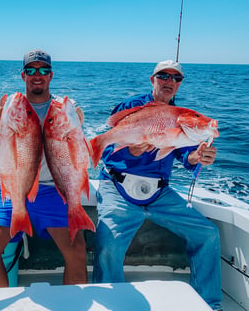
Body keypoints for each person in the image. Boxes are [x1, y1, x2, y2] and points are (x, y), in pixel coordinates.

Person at [92, 60, 222, 310]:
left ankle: (210, 304)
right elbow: (110, 153)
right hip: (118, 187)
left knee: (207, 233)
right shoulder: (132, 106)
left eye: (176, 78)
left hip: (160, 193)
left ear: (180, 84)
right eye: (163, 76)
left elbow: (183, 154)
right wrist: (131, 151)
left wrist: (196, 158)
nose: (169, 81)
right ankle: (112, 305)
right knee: (108, 241)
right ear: (153, 79)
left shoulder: (182, 117)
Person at [0, 49, 88, 287]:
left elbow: (78, 151)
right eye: (31, 70)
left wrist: (78, 123)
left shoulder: (64, 107)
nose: (37, 75)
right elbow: (1, 151)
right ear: (23, 75)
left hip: (52, 189)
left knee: (77, 251)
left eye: (44, 70)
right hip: (15, 185)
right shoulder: (10, 108)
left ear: (51, 75)